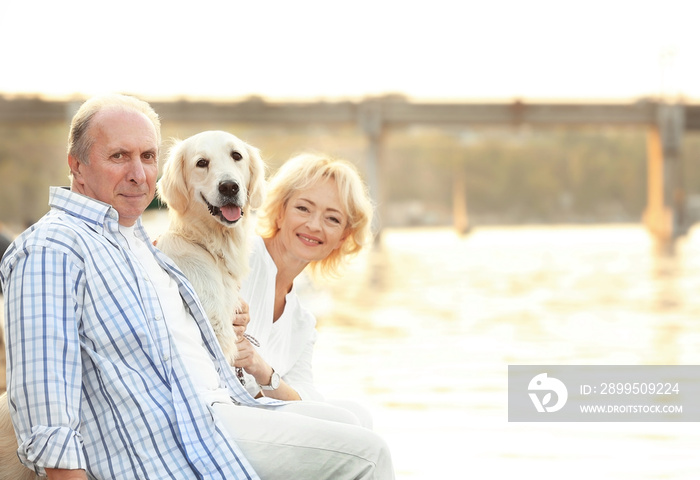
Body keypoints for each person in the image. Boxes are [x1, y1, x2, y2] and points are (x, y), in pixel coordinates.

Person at [0, 94, 394, 480]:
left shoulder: (134, 245)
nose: (138, 173)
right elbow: (46, 405)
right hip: (177, 434)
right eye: (118, 156)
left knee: (355, 421)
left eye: (148, 157)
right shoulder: (52, 248)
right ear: (76, 165)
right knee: (369, 454)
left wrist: (243, 352)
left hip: (210, 410)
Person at [235, 153, 376, 427]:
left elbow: (305, 399)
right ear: (279, 212)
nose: (314, 225)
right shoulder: (238, 260)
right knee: (352, 429)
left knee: (358, 415)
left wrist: (262, 370)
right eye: (303, 209)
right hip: (218, 417)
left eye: (332, 219)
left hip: (256, 420)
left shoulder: (302, 322)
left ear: (342, 238)